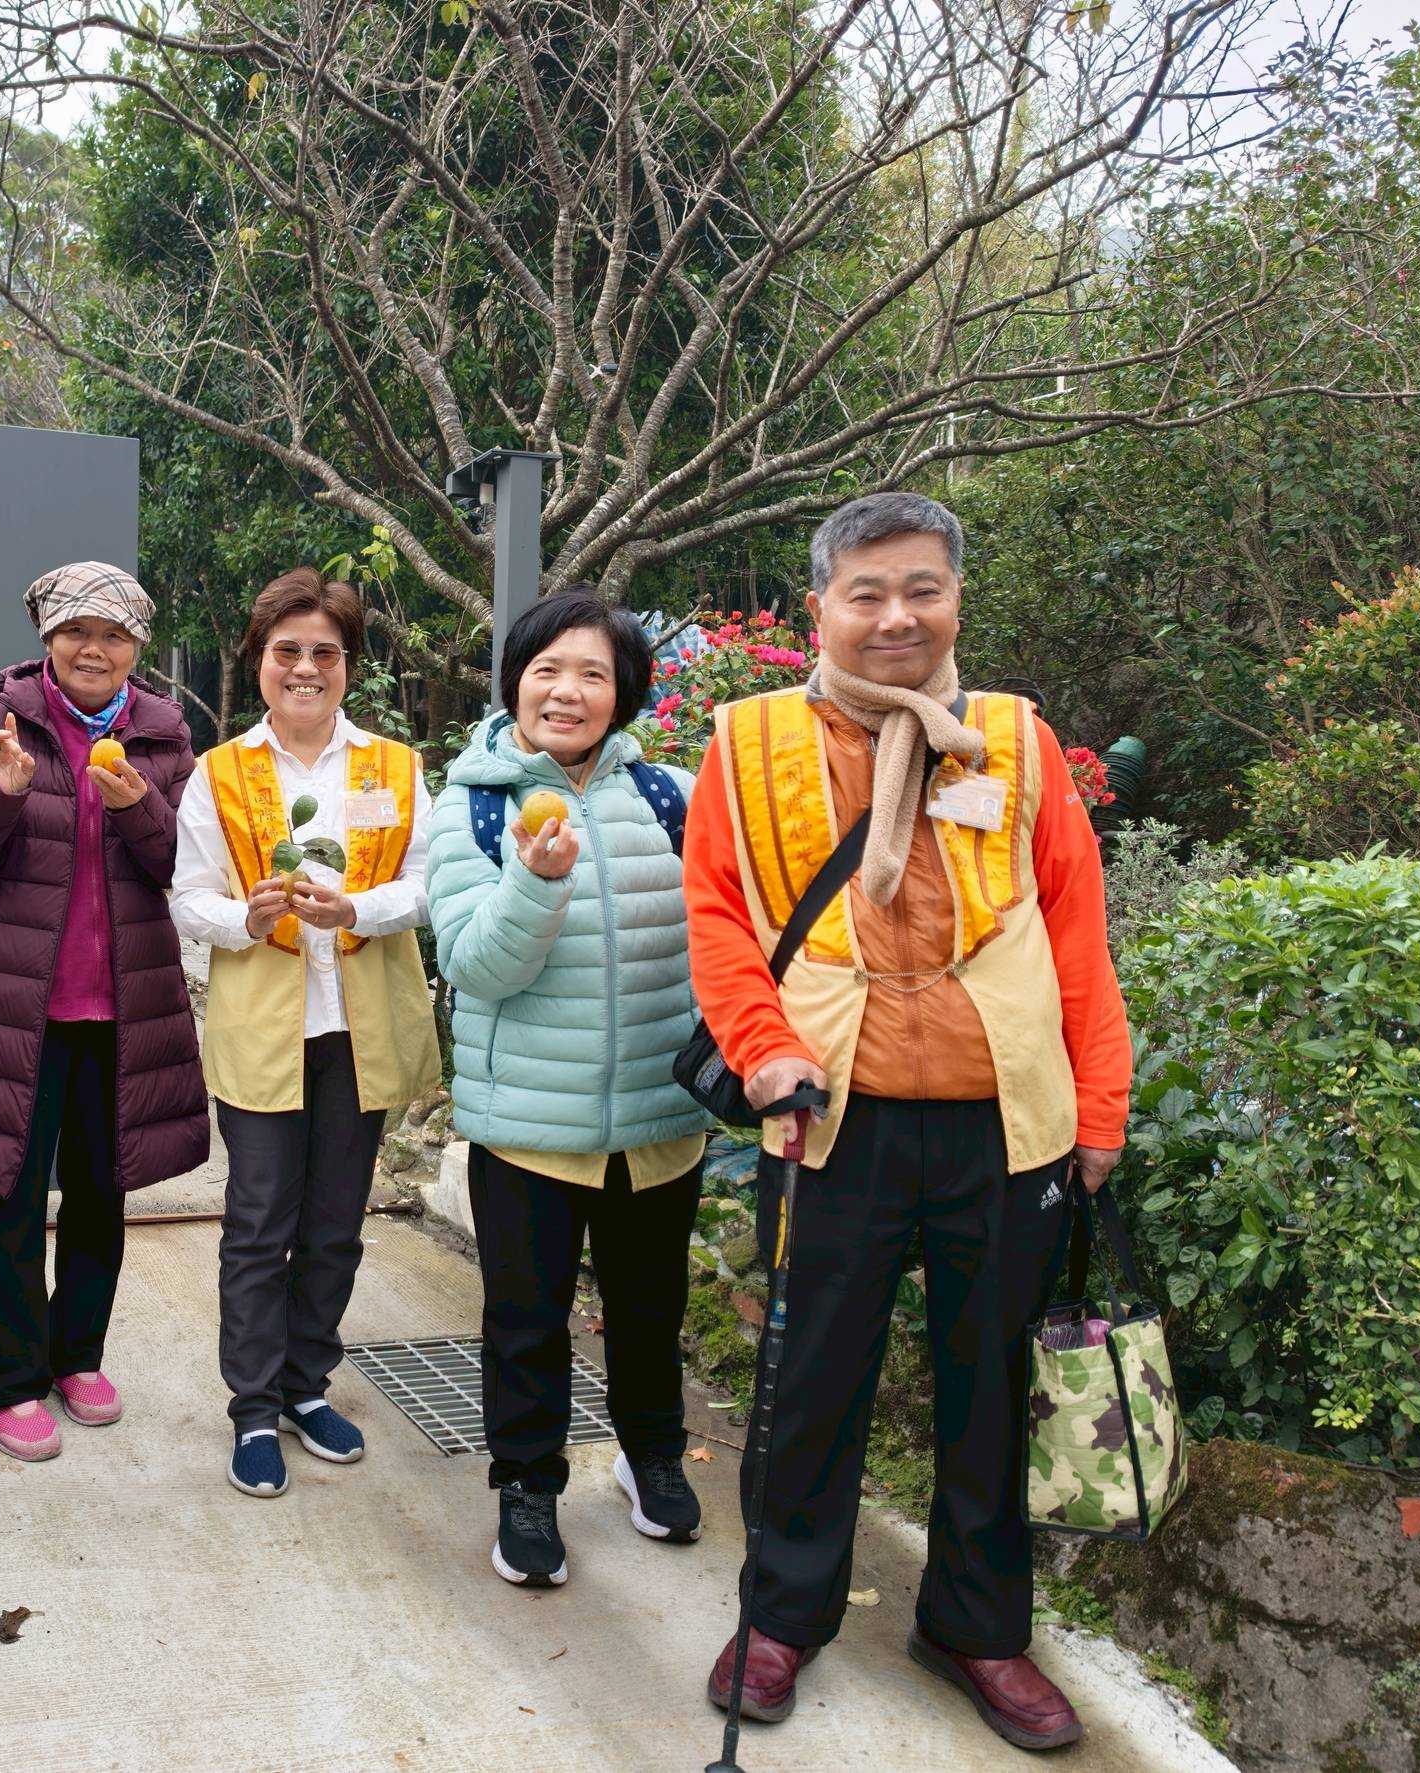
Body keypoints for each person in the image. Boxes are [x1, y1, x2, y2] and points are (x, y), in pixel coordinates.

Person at [683, 492, 1131, 1752]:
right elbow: (718, 915)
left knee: (992, 1387)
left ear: (955, 599)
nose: (896, 616)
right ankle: (783, 1617)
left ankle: (978, 1628)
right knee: (812, 1378)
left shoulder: (1016, 740)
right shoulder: (752, 739)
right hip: (830, 1114)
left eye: (921, 589)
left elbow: (1077, 928)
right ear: (818, 606)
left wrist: (1100, 1105)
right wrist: (764, 1052)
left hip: (1007, 1120)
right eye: (867, 592)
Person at [426, 587, 709, 1589]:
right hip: (528, 1129)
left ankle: (653, 1455)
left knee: (650, 1310)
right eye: (547, 669)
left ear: (624, 691)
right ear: (515, 682)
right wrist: (535, 881)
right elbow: (476, 965)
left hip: (659, 1120)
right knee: (527, 1321)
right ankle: (528, 1485)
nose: (567, 691)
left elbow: (727, 938)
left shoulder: (672, 796)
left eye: (593, 673)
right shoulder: (472, 806)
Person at [0, 562, 208, 1462]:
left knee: (101, 1194)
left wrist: (141, 808)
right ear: (47, 638)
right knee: (6, 1195)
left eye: (113, 635)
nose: (93, 649)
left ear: (137, 648)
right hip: (14, 1009)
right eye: (76, 630)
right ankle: (10, 1377)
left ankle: (78, 1356)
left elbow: (185, 869)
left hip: (123, 1010)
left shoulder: (164, 736)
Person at [171, 567, 439, 1499]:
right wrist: (243, 917)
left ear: (349, 664)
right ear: (260, 660)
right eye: (288, 650)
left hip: (358, 1027)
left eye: (326, 651)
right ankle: (253, 1406)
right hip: (263, 1025)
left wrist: (356, 906)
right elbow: (187, 897)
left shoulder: (393, 766)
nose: (306, 668)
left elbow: (425, 883)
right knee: (257, 1222)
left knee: (334, 1223)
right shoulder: (219, 772)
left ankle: (304, 1383)